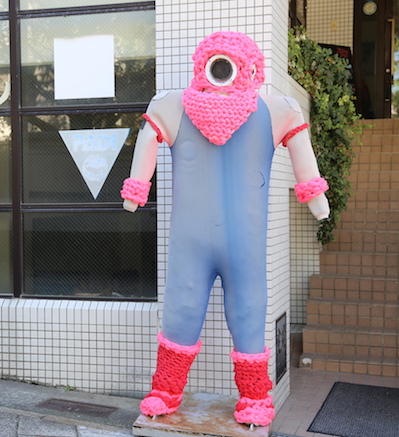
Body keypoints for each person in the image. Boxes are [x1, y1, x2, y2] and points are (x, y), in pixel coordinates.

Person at [121, 31, 329, 427]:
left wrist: (314, 194)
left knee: (248, 312)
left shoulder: (276, 110)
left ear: (248, 67)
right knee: (181, 311)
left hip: (241, 246)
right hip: (193, 244)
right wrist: (136, 188)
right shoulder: (172, 106)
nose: (222, 70)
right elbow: (147, 141)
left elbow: (302, 150)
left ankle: (254, 395)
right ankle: (166, 390)